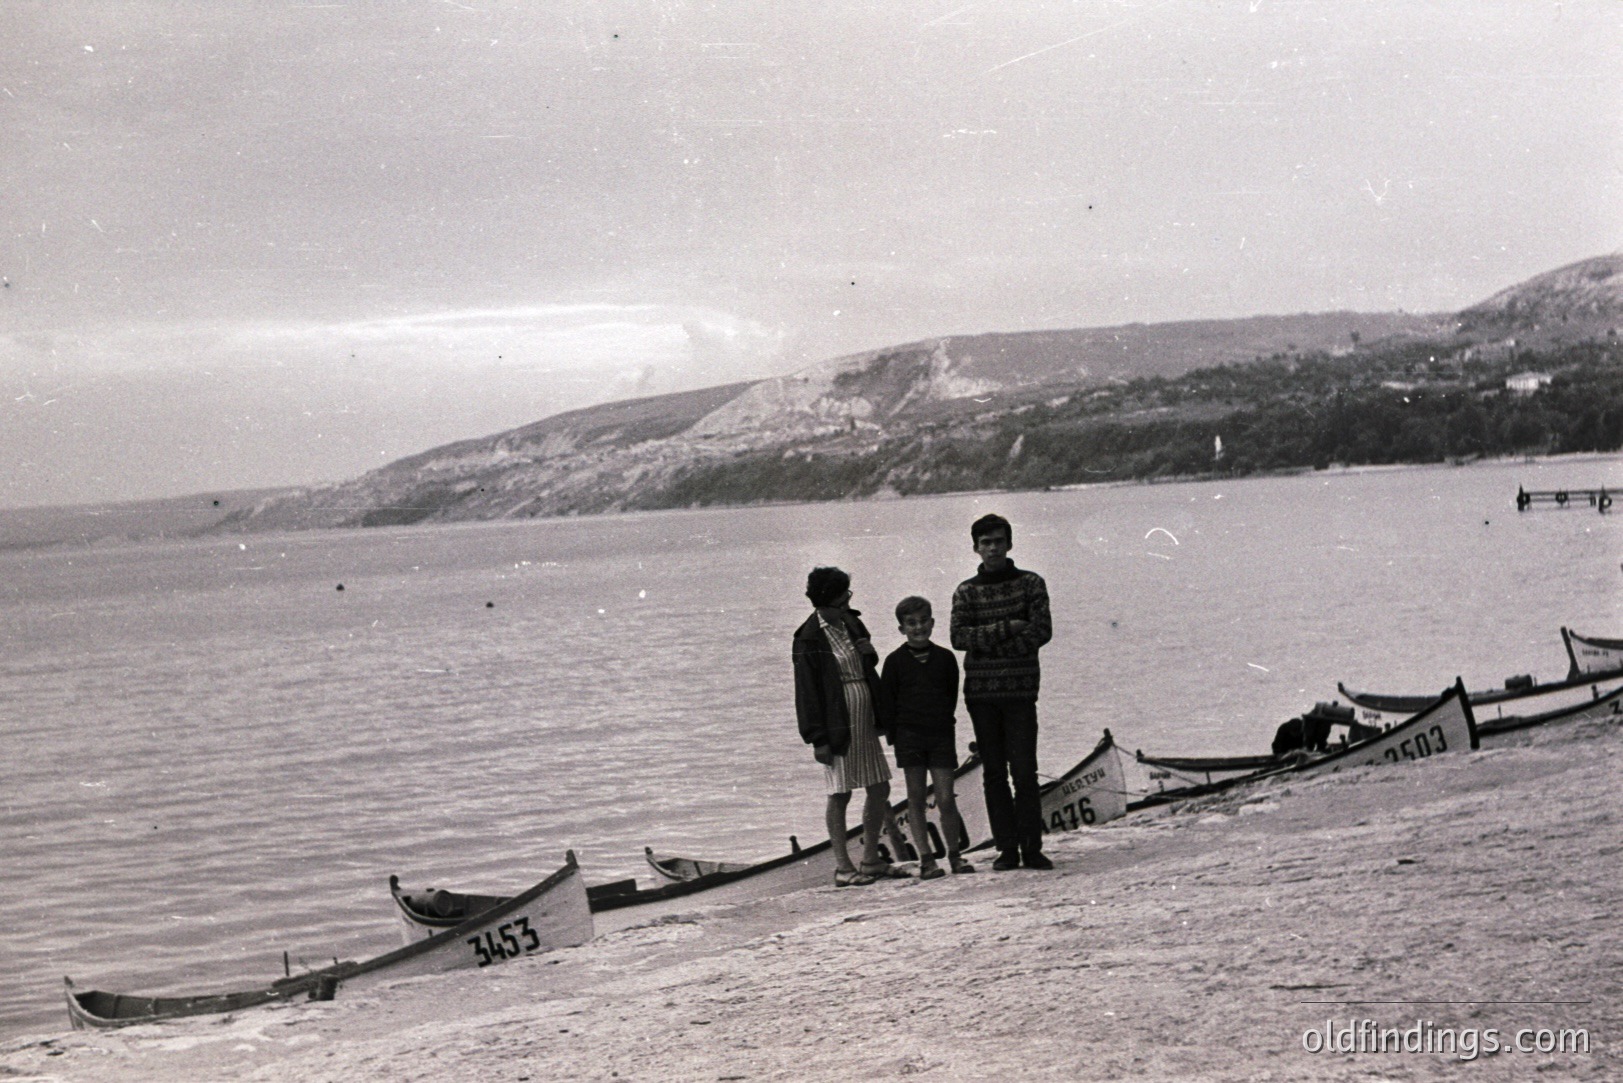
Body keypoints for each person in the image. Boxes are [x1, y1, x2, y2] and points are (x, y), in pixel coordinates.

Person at [792, 566, 910, 886]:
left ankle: (870, 860)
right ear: (827, 600)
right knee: (840, 792)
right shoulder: (808, 637)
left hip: (863, 717)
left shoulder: (851, 621)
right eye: (843, 595)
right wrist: (817, 739)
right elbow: (806, 692)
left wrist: (871, 655)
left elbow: (864, 665)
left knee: (879, 786)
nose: (848, 599)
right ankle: (844, 868)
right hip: (836, 722)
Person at [950, 513, 1054, 871]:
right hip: (981, 696)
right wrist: (1008, 627)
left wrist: (988, 645)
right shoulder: (966, 591)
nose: (992, 548)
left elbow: (1041, 633)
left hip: (1021, 692)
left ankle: (1032, 849)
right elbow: (959, 638)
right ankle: (1007, 851)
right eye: (985, 542)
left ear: (1009, 543)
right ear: (976, 548)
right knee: (994, 773)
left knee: (1025, 772)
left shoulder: (1031, 584)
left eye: (998, 540)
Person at [880, 595, 973, 879]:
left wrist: (941, 726)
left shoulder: (945, 658)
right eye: (911, 623)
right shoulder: (894, 662)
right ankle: (926, 860)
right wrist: (897, 738)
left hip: (940, 735)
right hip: (909, 738)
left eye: (923, 621)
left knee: (946, 799)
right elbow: (888, 704)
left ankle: (955, 856)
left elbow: (950, 696)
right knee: (916, 798)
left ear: (933, 623)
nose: (918, 627)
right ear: (901, 628)